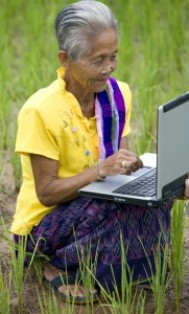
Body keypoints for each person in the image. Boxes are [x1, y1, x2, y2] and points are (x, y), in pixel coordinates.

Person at [11, 0, 189, 304]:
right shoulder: (41, 111)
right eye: (98, 59)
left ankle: (120, 270)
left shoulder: (118, 95)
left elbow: (122, 169)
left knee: (152, 199)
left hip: (94, 200)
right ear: (66, 59)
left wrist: (169, 181)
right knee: (106, 208)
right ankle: (57, 266)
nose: (109, 67)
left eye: (114, 56)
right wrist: (100, 170)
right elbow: (47, 193)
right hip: (44, 226)